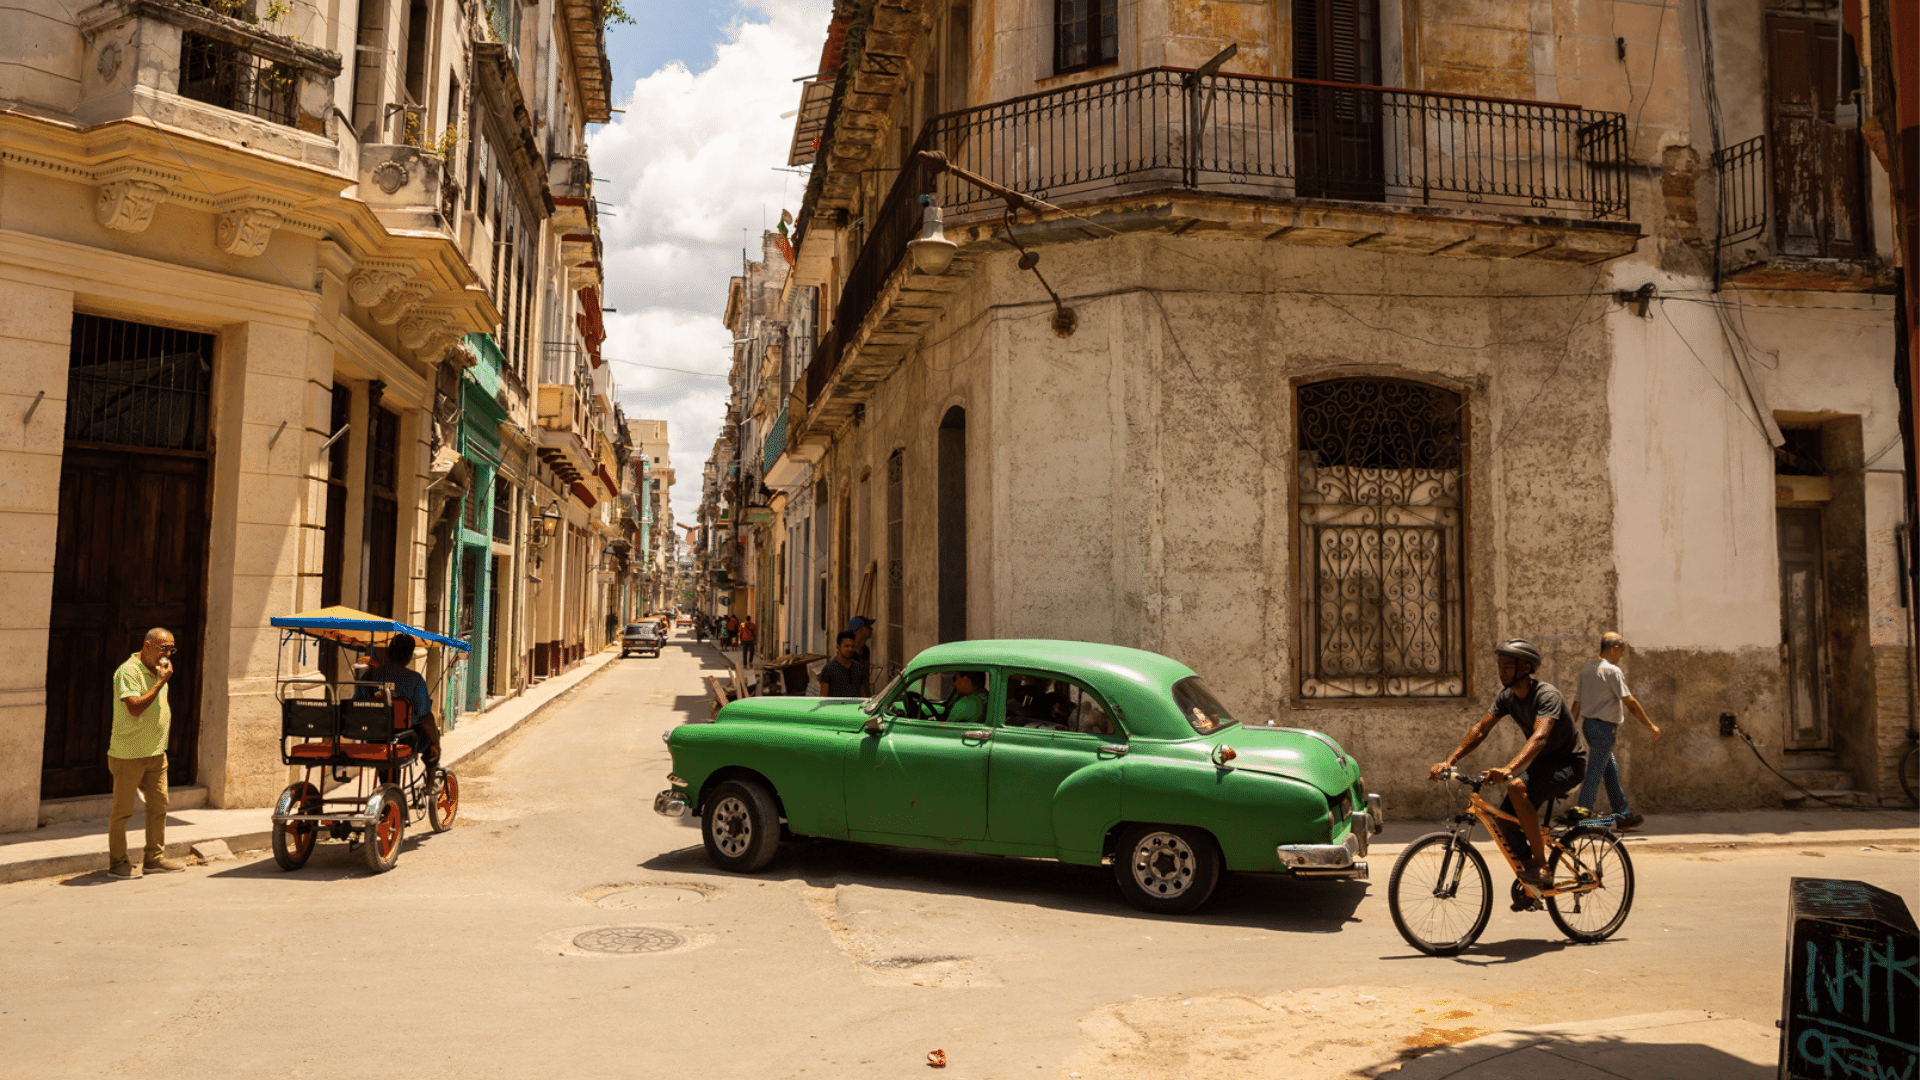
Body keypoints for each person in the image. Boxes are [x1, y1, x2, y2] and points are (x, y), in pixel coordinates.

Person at [1429, 639, 1588, 890]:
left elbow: (1540, 736)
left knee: (1516, 787)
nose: (1501, 672)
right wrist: (1449, 760)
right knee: (1503, 821)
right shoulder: (1507, 697)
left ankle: (1542, 867)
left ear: (1525, 667)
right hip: (1542, 766)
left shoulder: (1547, 696)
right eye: (1500, 666)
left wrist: (1509, 769)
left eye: (1507, 666)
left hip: (1568, 765)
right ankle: (1532, 882)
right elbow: (1481, 729)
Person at [108, 628, 187, 878]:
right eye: (163, 647)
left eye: (171, 649)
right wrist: (161, 682)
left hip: (156, 752)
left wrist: (160, 678)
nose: (167, 654)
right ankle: (118, 863)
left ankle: (154, 859)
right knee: (123, 811)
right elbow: (134, 708)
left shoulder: (158, 670)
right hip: (128, 754)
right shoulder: (128, 671)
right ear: (147, 645)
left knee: (159, 806)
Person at [1570, 632, 1661, 830]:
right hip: (1604, 729)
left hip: (1589, 726)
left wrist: (1570, 729)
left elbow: (1576, 704)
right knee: (1595, 772)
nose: (1621, 657)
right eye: (1622, 652)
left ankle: (1622, 815)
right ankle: (1582, 812)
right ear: (1615, 648)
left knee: (1610, 771)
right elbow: (1630, 702)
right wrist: (1650, 725)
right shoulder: (1612, 671)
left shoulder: (1587, 669)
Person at [353, 633, 443, 777]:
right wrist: (436, 743)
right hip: (406, 739)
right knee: (434, 734)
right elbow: (425, 717)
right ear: (408, 656)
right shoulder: (415, 679)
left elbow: (355, 706)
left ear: (388, 653)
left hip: (374, 737)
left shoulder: (368, 676)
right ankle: (430, 783)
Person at [818, 631, 869, 697]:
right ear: (838, 647)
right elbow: (823, 697)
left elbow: (863, 694)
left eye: (852, 646)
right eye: (846, 646)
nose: (850, 649)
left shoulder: (859, 668)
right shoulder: (828, 670)